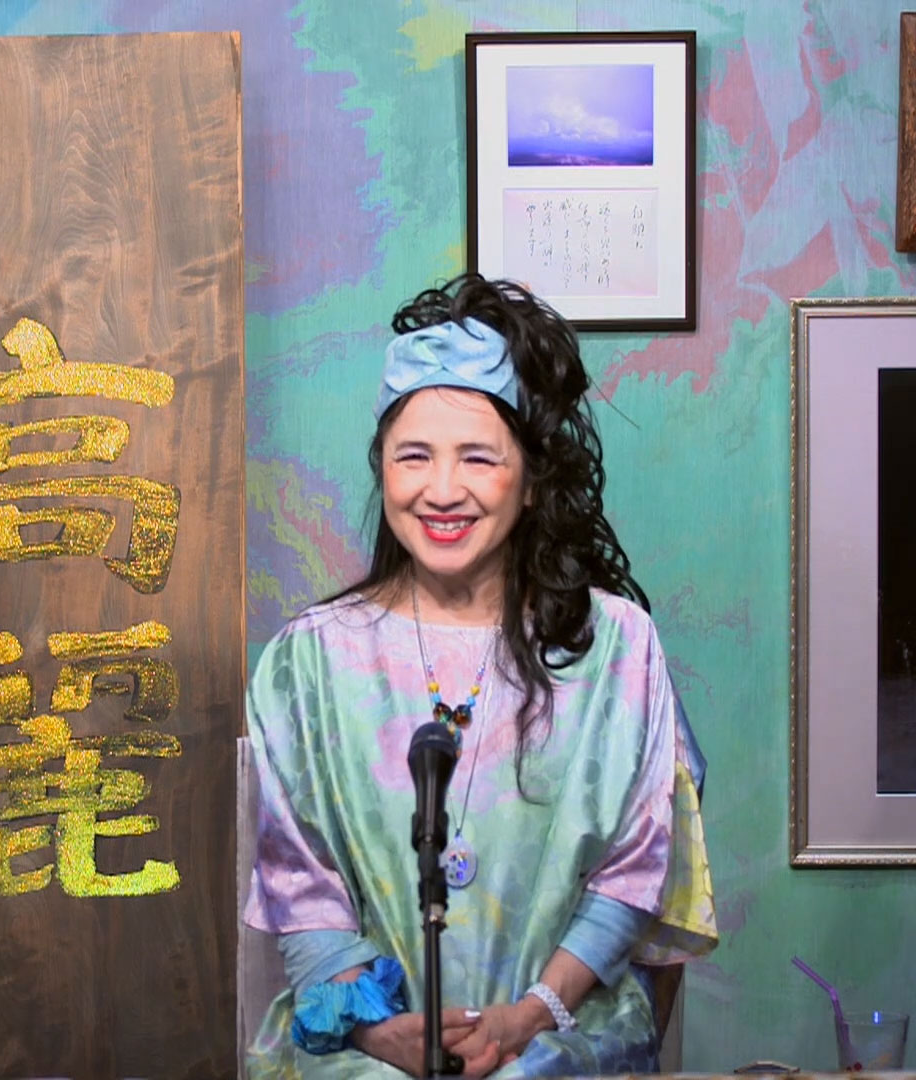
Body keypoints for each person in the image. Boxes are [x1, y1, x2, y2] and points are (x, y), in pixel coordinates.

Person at [242, 275, 717, 1078]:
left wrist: (529, 1018)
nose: (442, 490)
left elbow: (637, 867)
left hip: (556, 1041)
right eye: (414, 456)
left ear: (529, 481)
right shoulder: (308, 661)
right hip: (369, 1049)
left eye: (478, 458)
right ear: (382, 469)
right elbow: (302, 880)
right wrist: (378, 1031)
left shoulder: (616, 649)